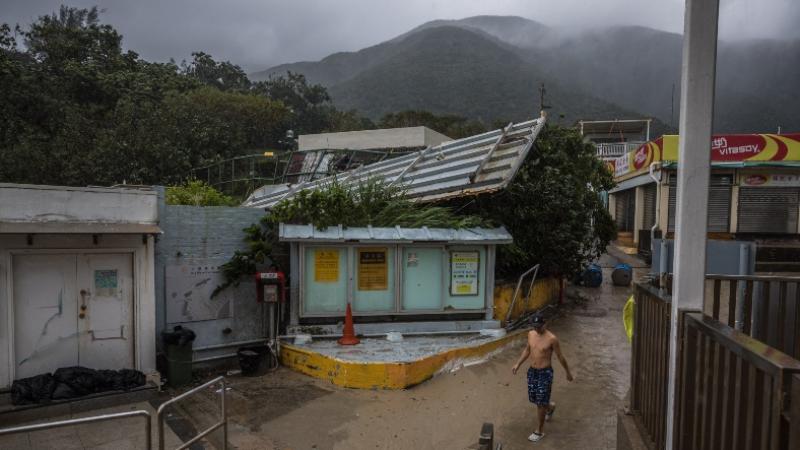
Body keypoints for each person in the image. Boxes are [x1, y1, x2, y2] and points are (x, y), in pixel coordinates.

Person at [511, 313, 574, 443]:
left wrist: (568, 372)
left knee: (540, 403)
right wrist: (518, 364)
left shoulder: (552, 339)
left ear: (545, 324)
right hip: (532, 372)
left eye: (539, 326)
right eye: (535, 326)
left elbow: (560, 357)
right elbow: (527, 350)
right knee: (535, 398)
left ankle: (539, 431)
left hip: (545, 373)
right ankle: (550, 407)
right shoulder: (531, 334)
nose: (537, 329)